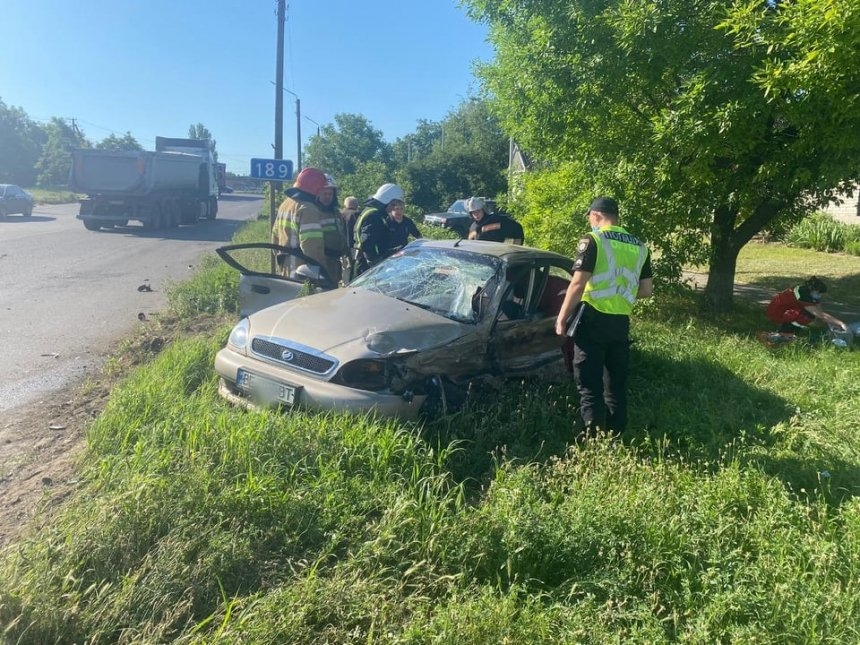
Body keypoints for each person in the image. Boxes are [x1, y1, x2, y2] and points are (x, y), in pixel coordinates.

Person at [554, 197, 653, 437]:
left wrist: (561, 318)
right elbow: (646, 291)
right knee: (615, 382)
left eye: (590, 218)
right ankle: (617, 433)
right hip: (620, 322)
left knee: (589, 384)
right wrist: (620, 295)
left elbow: (577, 284)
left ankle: (595, 439)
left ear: (596, 215)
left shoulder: (594, 239)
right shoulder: (640, 246)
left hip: (593, 319)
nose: (590, 223)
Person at [271, 167, 337, 286]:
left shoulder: (285, 204)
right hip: (300, 269)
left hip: (285, 263)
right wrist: (322, 273)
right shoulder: (308, 209)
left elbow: (275, 235)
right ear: (316, 189)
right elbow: (312, 245)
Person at [353, 183, 405, 276]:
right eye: (393, 204)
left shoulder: (371, 211)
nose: (394, 208)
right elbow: (367, 243)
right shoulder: (374, 215)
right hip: (368, 268)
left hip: (366, 264)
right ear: (387, 200)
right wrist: (376, 264)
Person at [766, 277, 848, 335]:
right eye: (819, 293)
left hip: (785, 310)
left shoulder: (808, 292)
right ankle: (786, 332)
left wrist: (829, 322)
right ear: (813, 290)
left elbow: (819, 311)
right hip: (777, 313)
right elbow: (820, 315)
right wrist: (841, 323)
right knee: (807, 316)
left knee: (811, 316)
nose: (820, 295)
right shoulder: (803, 296)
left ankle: (790, 329)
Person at [316, 174, 348, 284]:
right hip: (323, 261)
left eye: (330, 194)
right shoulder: (314, 213)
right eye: (324, 193)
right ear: (317, 194)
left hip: (336, 261)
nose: (327, 197)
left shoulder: (336, 212)